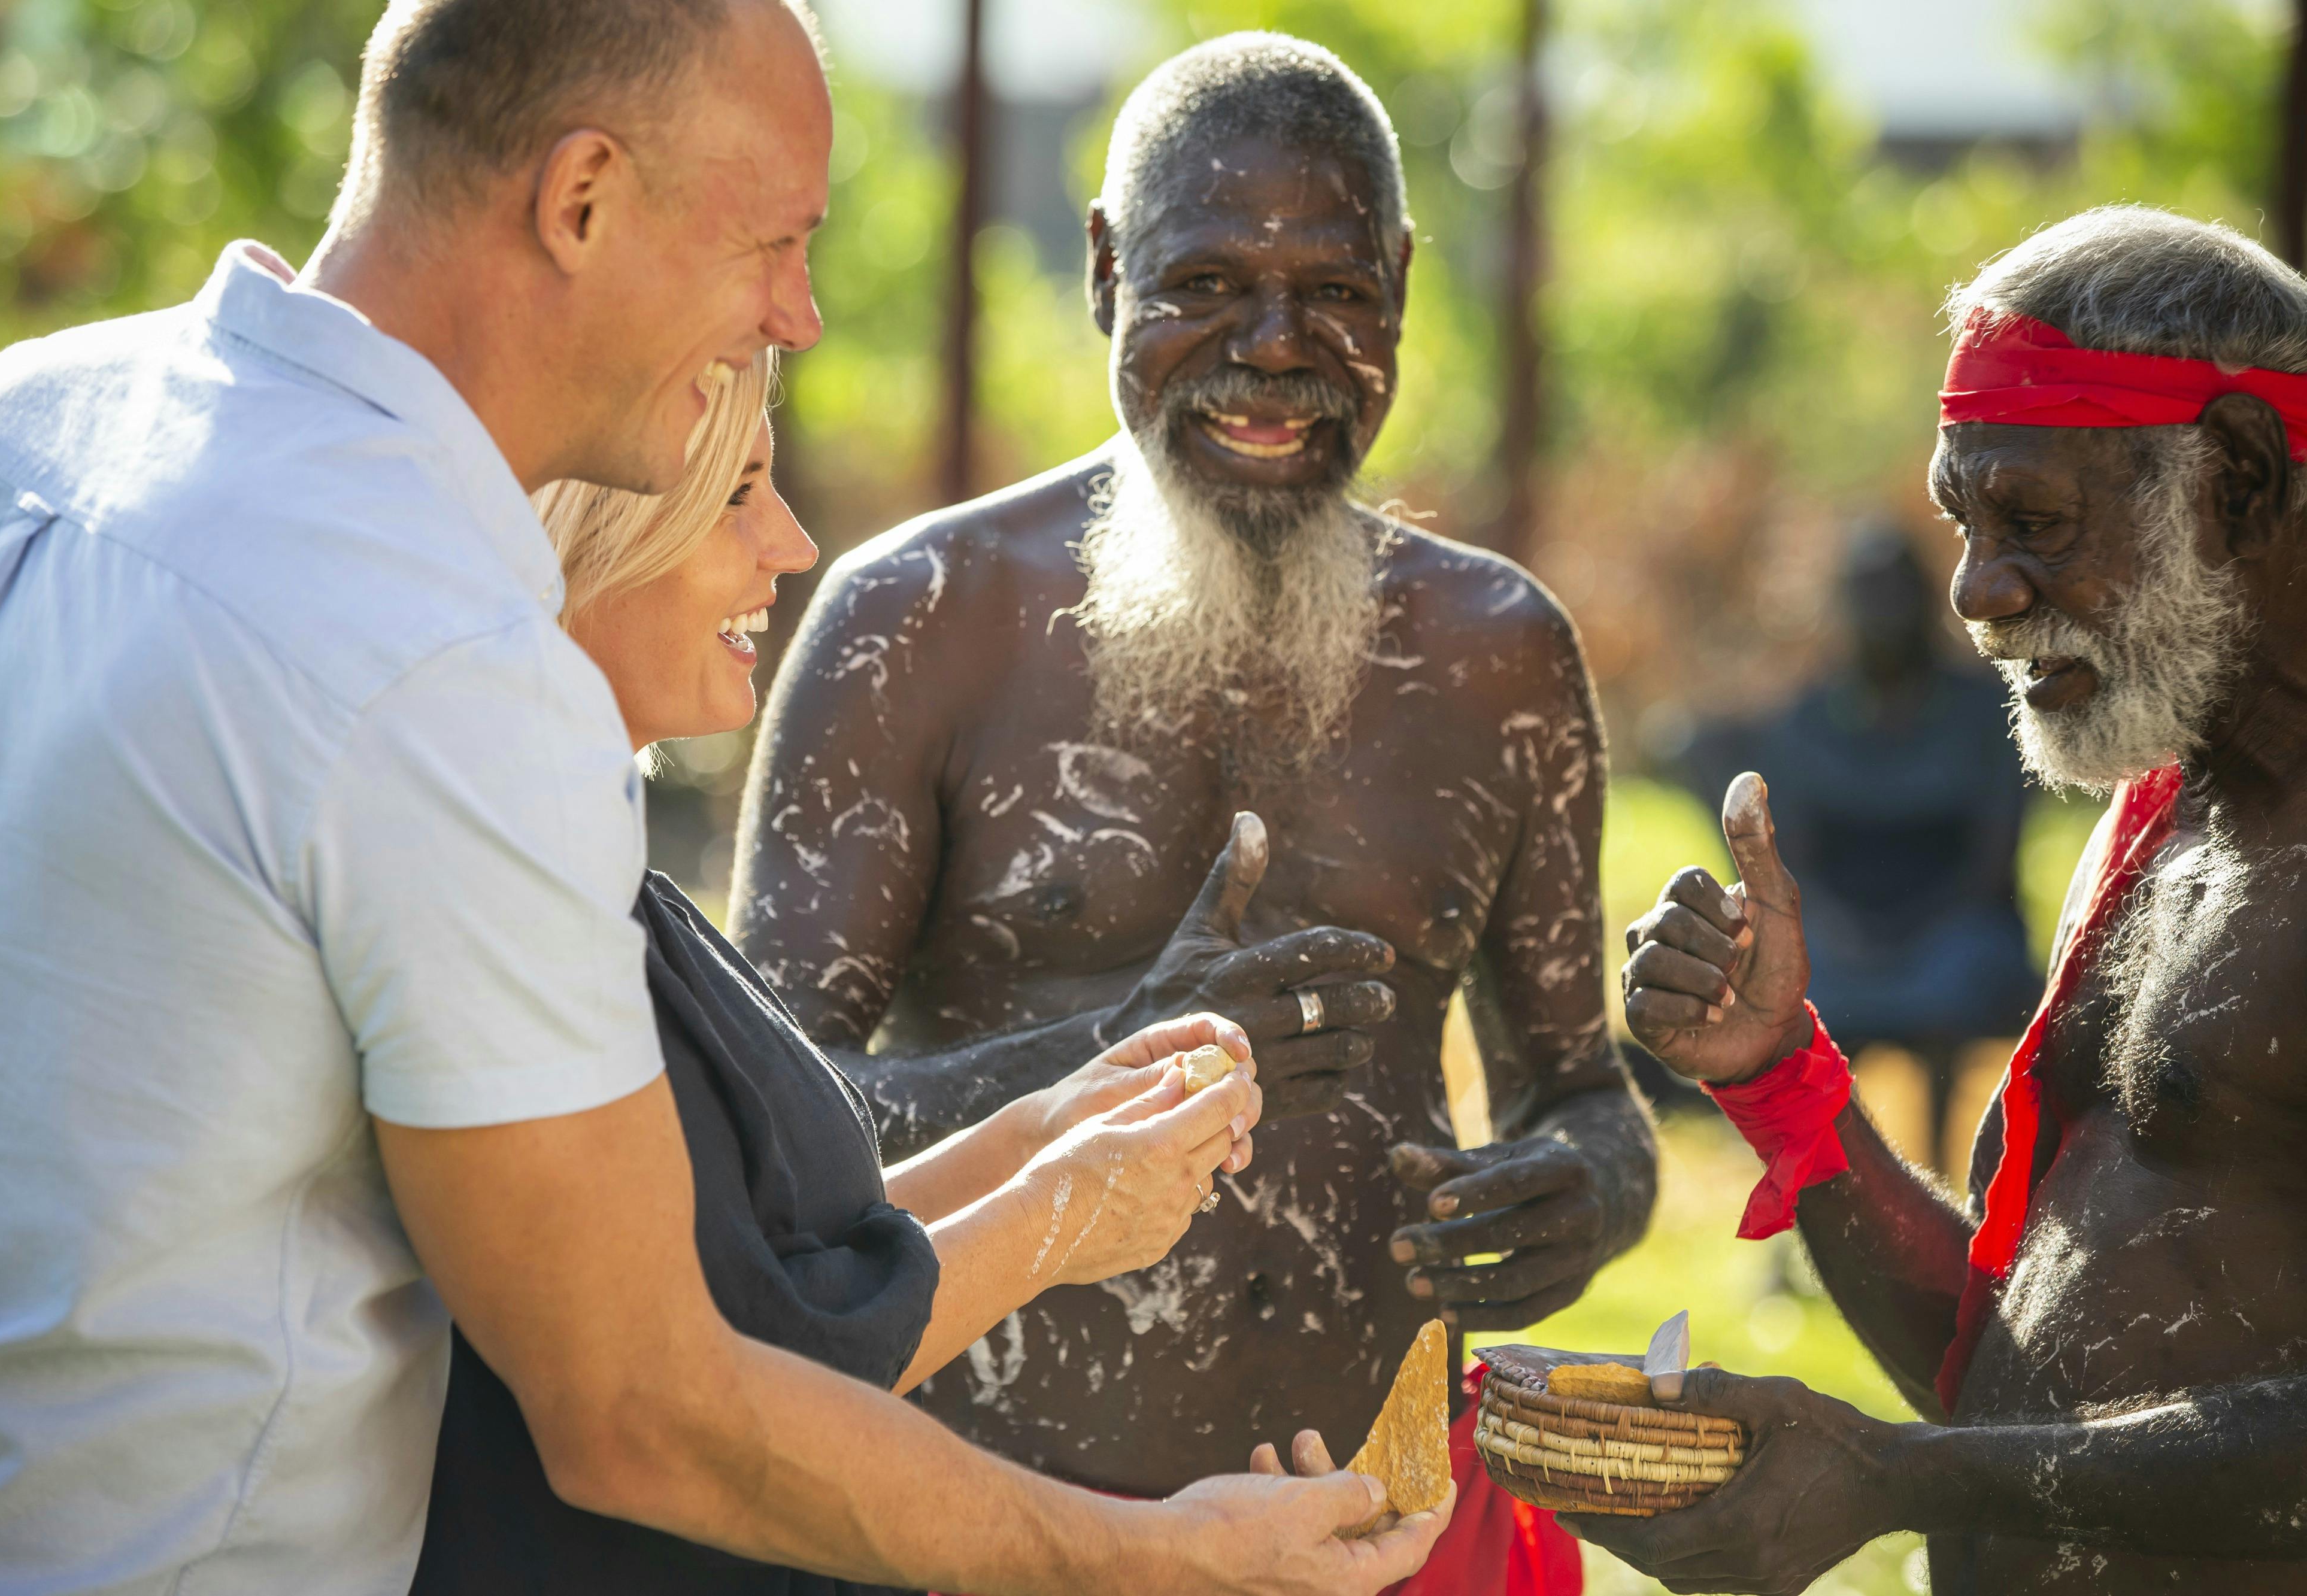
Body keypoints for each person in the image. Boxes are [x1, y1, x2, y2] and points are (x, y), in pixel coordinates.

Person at [0, 3, 1444, 1591]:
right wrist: (1165, 1559)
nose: (799, 314)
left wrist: (1046, 1148)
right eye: (774, 243)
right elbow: (644, 1408)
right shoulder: (440, 655)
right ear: (581, 200)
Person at [732, 32, 1648, 1591]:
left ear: (1407, 287)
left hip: (1393, 1519)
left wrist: (1592, 1191)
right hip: (993, 1524)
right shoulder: (923, 622)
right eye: (1207, 285)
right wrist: (1108, 1051)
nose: (1275, 348)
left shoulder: (1500, 655)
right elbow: (761, 1132)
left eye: (1339, 294)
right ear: (1104, 270)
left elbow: (1579, 1092)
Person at [415, 355, 1284, 1593]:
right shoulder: (504, 900)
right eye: (736, 493)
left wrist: (1046, 1123)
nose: (791, 540)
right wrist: (1057, 1214)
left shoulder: (611, 880)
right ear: (580, 528)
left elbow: (782, 1268)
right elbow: (734, 1369)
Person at [1603, 205, 2307, 1594]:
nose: (1977, 591)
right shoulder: (2167, 817)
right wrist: (1784, 1085)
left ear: (2231, 478)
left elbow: (1967, 1446)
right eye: (1961, 518)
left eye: (2033, 520)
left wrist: (1894, 1473)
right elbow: (2011, 1366)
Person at [1678, 521, 2039, 1161]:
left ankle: (1941, 1181)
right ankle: (1808, 1180)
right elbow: (1795, 866)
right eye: (1869, 594)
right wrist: (1842, 929)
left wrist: (1911, 931)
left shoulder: (1984, 714)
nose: (1885, 614)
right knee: (1793, 994)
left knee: (1953, 985)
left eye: (1899, 592)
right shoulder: (1807, 720)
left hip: (1954, 929)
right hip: (1842, 936)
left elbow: (1991, 858)